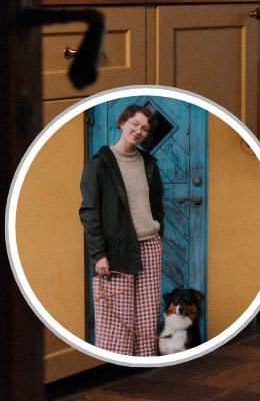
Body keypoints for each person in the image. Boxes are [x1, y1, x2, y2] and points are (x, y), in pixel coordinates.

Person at [79, 103, 164, 356]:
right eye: (134, 124)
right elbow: (89, 212)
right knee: (117, 319)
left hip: (149, 245)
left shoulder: (149, 163)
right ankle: (115, 370)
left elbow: (157, 202)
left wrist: (157, 227)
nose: (138, 131)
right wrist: (99, 254)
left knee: (147, 315)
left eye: (145, 129)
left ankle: (144, 367)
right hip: (116, 250)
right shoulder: (100, 164)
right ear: (122, 123)